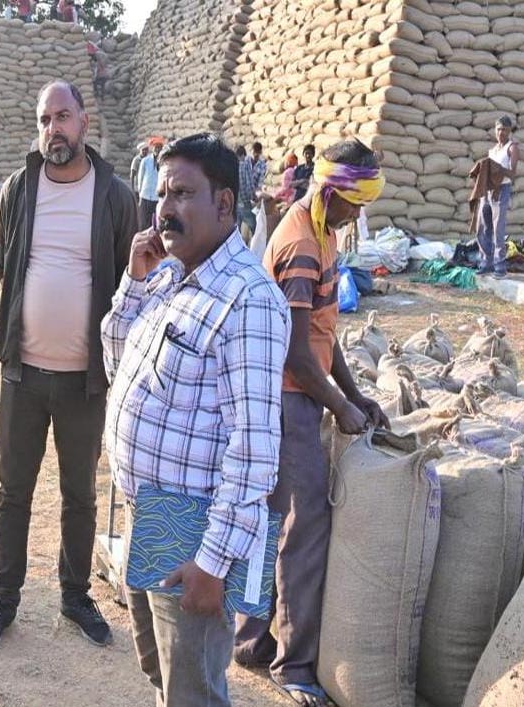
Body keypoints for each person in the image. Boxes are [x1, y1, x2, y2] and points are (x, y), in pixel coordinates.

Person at [102, 133, 291, 707]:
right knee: (160, 671)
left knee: (193, 692)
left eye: (182, 194)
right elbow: (117, 363)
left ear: (225, 204)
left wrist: (213, 562)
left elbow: (254, 449)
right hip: (149, 515)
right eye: (162, 194)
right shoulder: (169, 276)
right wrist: (134, 282)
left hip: (194, 533)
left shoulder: (248, 299)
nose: (164, 209)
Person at [0, 80, 137, 653]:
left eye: (62, 117)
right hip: (22, 372)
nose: (53, 129)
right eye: (44, 120)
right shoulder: (19, 189)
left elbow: (126, 273)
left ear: (83, 122)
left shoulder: (114, 195)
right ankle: (4, 597)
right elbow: (5, 259)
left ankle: (74, 595)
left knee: (80, 494)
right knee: (13, 490)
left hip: (85, 380)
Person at [234, 138, 389, 707]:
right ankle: (293, 664)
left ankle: (250, 640)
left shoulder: (323, 232)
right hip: (287, 401)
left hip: (298, 395)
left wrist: (354, 394)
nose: (357, 214)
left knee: (270, 521)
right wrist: (339, 408)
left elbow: (322, 334)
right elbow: (297, 355)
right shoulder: (301, 243)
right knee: (304, 528)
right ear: (332, 192)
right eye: (355, 203)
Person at [477, 116, 520, 279]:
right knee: (483, 227)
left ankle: (500, 266)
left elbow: (512, 174)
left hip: (502, 190)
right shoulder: (493, 150)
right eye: (499, 129)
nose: (501, 132)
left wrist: (498, 169)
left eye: (504, 130)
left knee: (498, 228)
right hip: (488, 190)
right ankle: (486, 263)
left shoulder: (512, 148)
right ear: (495, 130)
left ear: (509, 131)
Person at [137, 142, 160, 231]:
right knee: (143, 221)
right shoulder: (145, 161)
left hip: (156, 196)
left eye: (159, 147)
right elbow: (140, 177)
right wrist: (140, 192)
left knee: (154, 223)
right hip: (145, 194)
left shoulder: (163, 162)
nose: (157, 149)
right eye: (156, 147)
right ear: (152, 148)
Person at [236, 145, 257, 237]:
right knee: (253, 225)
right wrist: (253, 196)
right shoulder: (245, 165)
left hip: (236, 201)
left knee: (237, 227)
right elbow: (249, 183)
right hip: (245, 200)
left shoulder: (233, 166)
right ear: (243, 154)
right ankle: (256, 242)